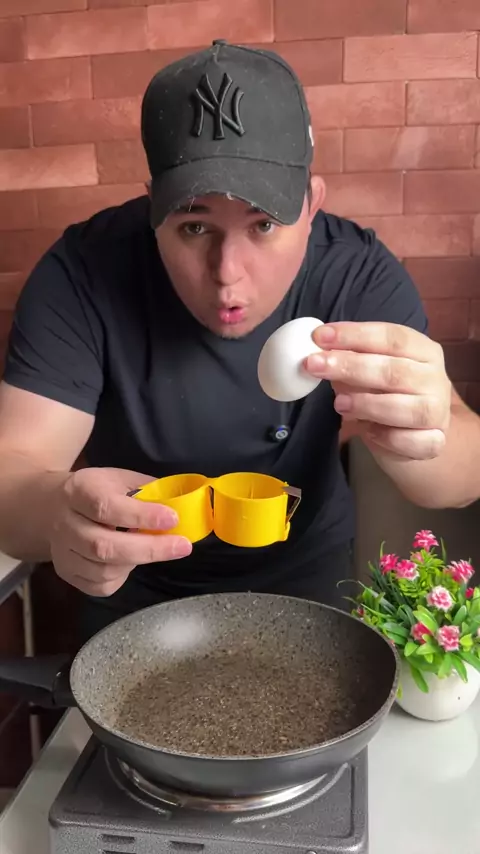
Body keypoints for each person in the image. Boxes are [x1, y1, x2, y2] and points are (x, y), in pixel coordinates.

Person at [0, 41, 479, 643]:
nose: (227, 272)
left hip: (307, 587)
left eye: (264, 224)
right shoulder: (85, 272)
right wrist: (58, 513)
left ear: (311, 205)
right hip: (133, 598)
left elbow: (462, 475)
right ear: (152, 209)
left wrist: (427, 434)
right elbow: (12, 473)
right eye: (194, 225)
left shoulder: (355, 276)